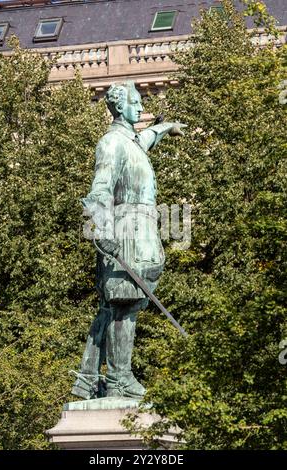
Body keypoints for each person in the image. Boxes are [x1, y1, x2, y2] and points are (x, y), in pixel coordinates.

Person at [71, 81, 185, 400]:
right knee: (123, 305)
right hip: (126, 231)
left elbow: (146, 137)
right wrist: (105, 231)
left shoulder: (132, 141)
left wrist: (165, 127)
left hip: (142, 231)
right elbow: (99, 191)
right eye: (136, 102)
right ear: (120, 106)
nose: (141, 108)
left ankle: (89, 378)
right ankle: (119, 378)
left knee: (124, 306)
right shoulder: (111, 142)